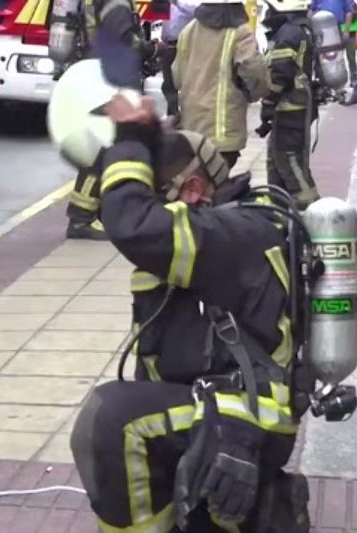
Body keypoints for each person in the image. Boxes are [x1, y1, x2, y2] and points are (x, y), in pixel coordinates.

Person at [70, 92, 314, 533]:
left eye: (152, 194)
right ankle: (243, 510)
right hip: (222, 406)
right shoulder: (217, 230)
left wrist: (129, 140)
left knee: (112, 419)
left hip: (249, 415)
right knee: (145, 415)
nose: (146, 205)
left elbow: (137, 228)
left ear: (194, 190)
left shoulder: (231, 232)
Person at [64, 0, 162, 239]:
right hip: (107, 80)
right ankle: (80, 219)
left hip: (97, 74)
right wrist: (150, 49)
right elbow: (123, 39)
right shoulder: (116, 2)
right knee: (101, 150)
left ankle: (89, 213)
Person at [172, 0, 270, 168]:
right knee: (217, 183)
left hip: (192, 128)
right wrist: (255, 94)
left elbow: (177, 77)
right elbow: (254, 71)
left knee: (199, 182)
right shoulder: (240, 32)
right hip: (223, 130)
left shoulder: (188, 30)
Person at [257, 0, 323, 208]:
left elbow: (280, 75)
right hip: (294, 110)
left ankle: (312, 214)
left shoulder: (288, 33)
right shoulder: (300, 29)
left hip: (291, 110)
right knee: (277, 164)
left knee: (291, 164)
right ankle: (281, 214)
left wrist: (268, 103)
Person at [160, 0, 200, 122]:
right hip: (168, 46)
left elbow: (196, 11)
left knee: (186, 83)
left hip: (184, 47)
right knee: (168, 84)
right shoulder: (169, 5)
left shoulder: (188, 3)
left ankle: (188, 115)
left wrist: (177, 3)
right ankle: (173, 114)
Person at [343, 1, 357, 86]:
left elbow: (354, 16)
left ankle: (354, 78)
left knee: (351, 58)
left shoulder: (353, 5)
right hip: (338, 33)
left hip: (351, 35)